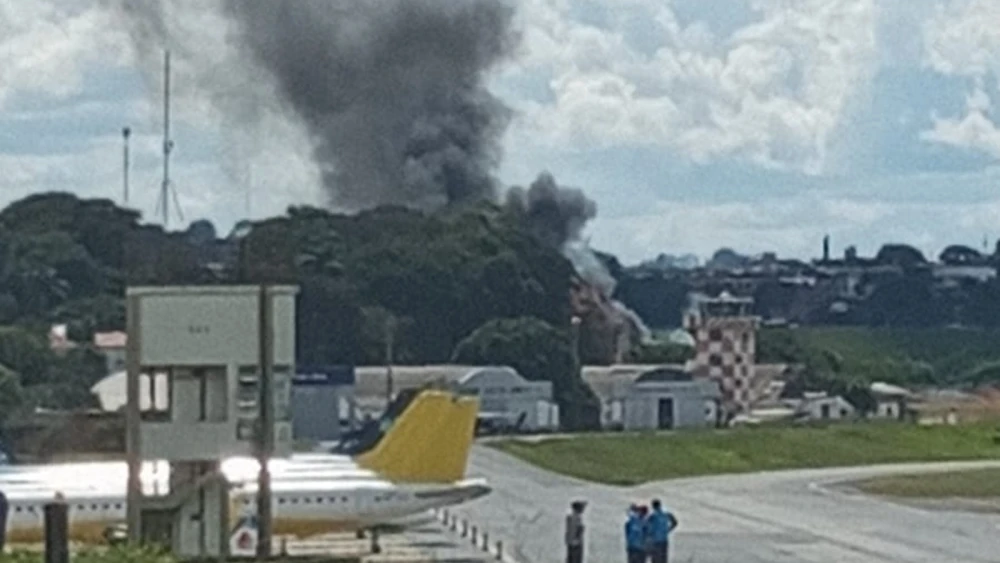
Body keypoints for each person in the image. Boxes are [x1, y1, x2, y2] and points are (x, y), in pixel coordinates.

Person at [647, 499, 678, 563]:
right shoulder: (666, 513)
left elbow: (646, 525)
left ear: (653, 506)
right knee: (663, 559)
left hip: (655, 540)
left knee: (655, 559)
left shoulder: (652, 515)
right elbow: (675, 522)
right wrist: (668, 530)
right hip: (664, 539)